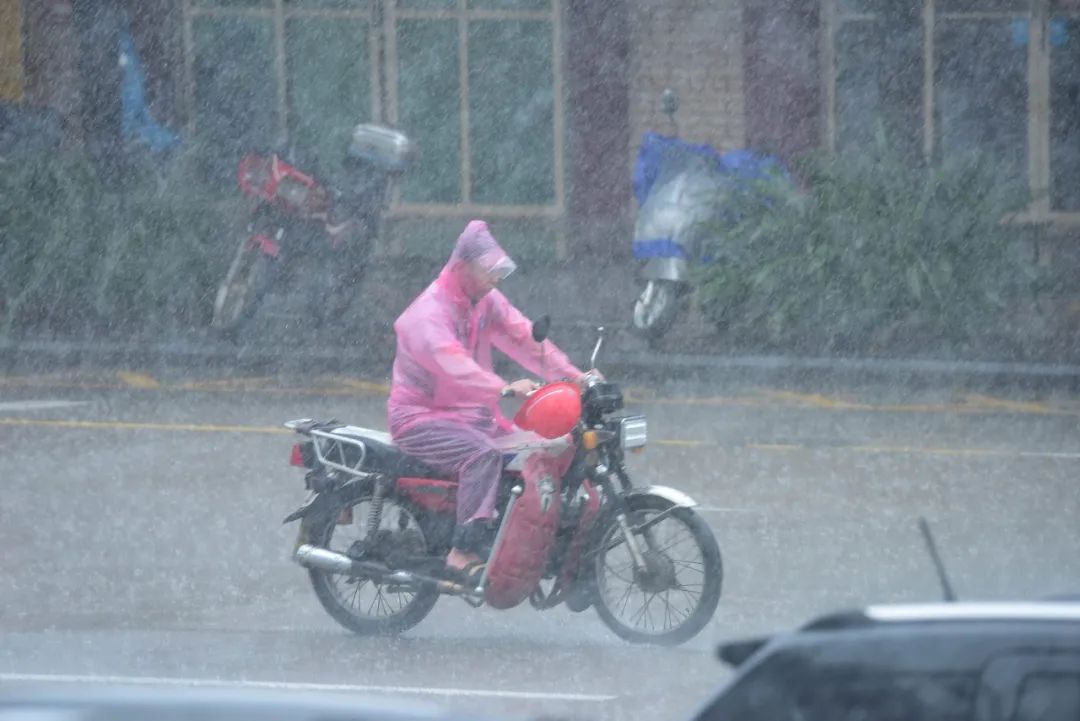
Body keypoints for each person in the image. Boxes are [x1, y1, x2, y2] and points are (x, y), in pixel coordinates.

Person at [387, 220, 593, 581]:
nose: (495, 280)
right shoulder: (427, 315)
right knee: (482, 456)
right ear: (462, 267)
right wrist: (504, 388)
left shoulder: (483, 301)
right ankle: (462, 550)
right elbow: (454, 365)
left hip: (472, 416)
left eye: (498, 273)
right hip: (420, 418)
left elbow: (523, 336)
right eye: (488, 272)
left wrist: (575, 376)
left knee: (540, 448)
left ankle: (515, 538)